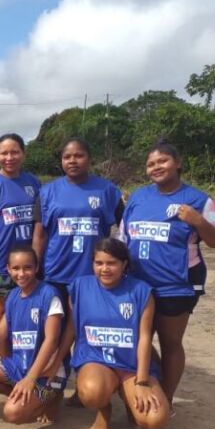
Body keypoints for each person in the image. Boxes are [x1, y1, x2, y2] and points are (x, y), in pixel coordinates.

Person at [120, 139, 215, 407]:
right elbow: (123, 238)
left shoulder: (198, 199)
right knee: (136, 340)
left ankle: (166, 399)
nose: (156, 167)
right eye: (150, 164)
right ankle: (145, 390)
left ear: (177, 163)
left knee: (170, 342)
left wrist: (198, 221)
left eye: (162, 161)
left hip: (176, 285)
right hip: (137, 285)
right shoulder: (138, 197)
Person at [32, 137, 124, 407]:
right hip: (56, 275)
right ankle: (54, 392)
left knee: (88, 335)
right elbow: (39, 234)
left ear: (89, 158)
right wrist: (37, 269)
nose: (72, 161)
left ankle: (86, 390)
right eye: (67, 157)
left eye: (79, 155)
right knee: (57, 337)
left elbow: (126, 230)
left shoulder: (107, 191)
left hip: (93, 279)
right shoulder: (48, 192)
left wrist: (120, 267)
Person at [68, 238, 169, 429]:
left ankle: (127, 395)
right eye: (99, 263)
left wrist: (141, 382)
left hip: (130, 365)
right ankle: (104, 410)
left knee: (154, 419)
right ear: (92, 264)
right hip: (97, 360)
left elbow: (144, 337)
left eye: (111, 263)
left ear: (124, 264)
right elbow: (72, 331)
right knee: (91, 393)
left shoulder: (142, 291)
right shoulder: (79, 287)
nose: (105, 269)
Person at [0, 246, 68, 424]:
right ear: (8, 269)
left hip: (47, 374)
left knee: (13, 413)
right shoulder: (13, 296)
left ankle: (51, 397)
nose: (21, 273)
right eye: (16, 268)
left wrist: (31, 378)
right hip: (19, 366)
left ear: (36, 268)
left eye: (27, 268)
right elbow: (1, 330)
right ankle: (20, 394)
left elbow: (51, 340)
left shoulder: (49, 294)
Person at [0, 133, 41, 322]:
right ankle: (6, 354)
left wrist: (37, 260)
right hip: (2, 267)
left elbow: (40, 225)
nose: (9, 158)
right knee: (5, 320)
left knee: (31, 318)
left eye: (15, 152)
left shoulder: (34, 183)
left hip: (29, 266)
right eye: (4, 153)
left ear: (23, 154)